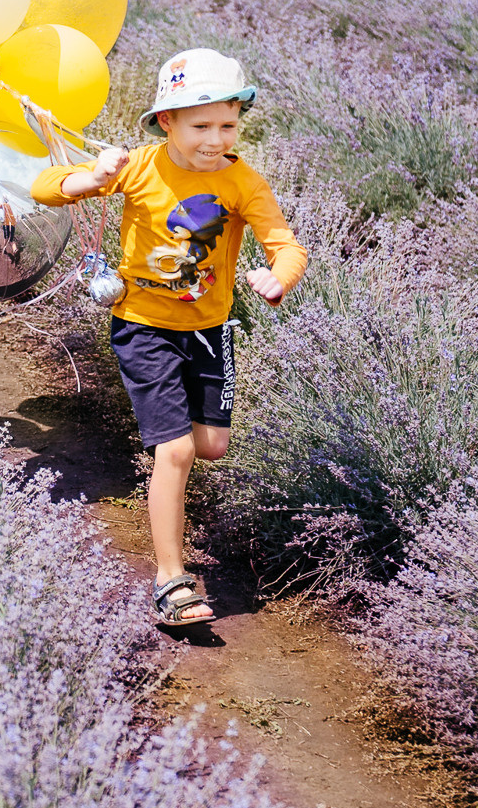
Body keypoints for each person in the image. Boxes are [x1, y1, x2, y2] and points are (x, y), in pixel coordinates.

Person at [34, 48, 307, 627]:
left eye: (227, 125)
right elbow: (45, 187)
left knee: (211, 446)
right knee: (177, 450)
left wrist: (277, 278)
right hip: (143, 327)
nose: (215, 139)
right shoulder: (139, 167)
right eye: (200, 126)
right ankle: (170, 581)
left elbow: (286, 245)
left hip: (209, 329)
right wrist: (93, 177)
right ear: (167, 122)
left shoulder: (242, 181)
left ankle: (166, 461)